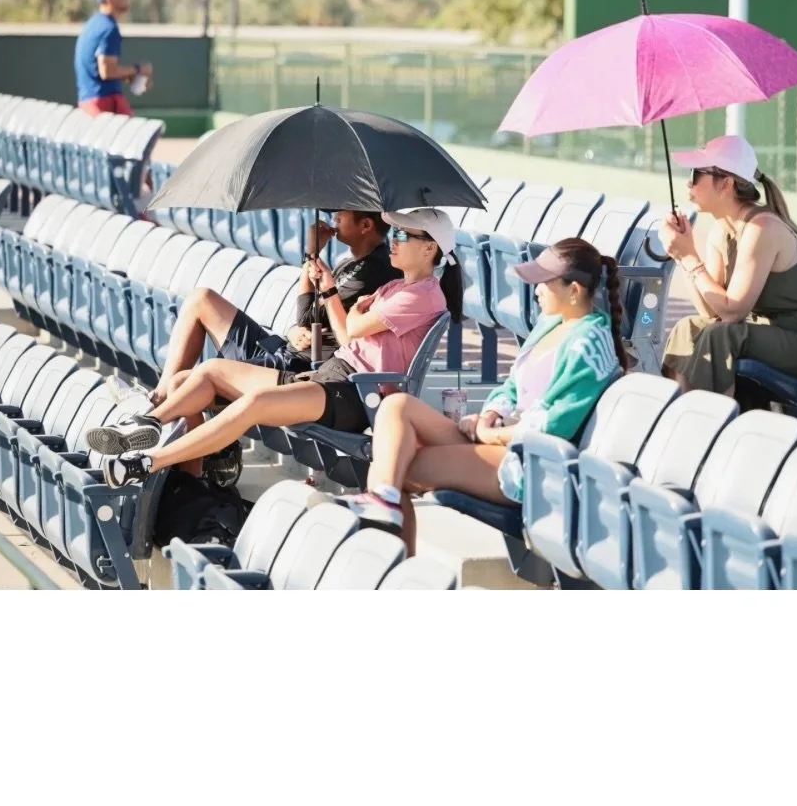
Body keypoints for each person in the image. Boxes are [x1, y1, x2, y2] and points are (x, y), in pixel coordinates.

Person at [86, 208, 463, 488]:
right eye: (393, 233)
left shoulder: (424, 295)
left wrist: (330, 289)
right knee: (207, 372)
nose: (393, 240)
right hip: (327, 377)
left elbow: (349, 333)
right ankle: (149, 423)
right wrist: (337, 296)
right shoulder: (395, 288)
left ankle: (145, 462)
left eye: (402, 236)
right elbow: (349, 324)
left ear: (429, 247)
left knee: (253, 403)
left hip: (352, 394)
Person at [346, 238, 626, 552]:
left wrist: (491, 434)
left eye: (543, 283)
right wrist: (491, 414)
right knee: (397, 407)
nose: (535, 290)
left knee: (399, 468)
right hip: (501, 439)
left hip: (531, 465)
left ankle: (398, 557)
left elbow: (552, 427)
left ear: (574, 290)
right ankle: (385, 510)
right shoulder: (553, 322)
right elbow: (511, 386)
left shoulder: (586, 345)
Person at [141, 210, 395, 416]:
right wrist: (311, 256)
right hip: (285, 349)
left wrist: (313, 257)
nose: (334, 217)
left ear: (365, 225)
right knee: (201, 299)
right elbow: (305, 322)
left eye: (342, 213)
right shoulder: (351, 261)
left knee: (185, 383)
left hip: (300, 364)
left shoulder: (374, 270)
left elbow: (307, 318)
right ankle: (159, 397)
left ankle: (193, 468)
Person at [658, 134, 797, 400]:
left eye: (697, 173)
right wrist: (682, 253)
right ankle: (682, 414)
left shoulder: (762, 228)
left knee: (721, 336)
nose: (689, 182)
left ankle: (709, 425)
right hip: (780, 337)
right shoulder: (720, 231)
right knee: (688, 327)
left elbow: (733, 312)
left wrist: (690, 258)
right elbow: (712, 310)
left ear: (726, 184)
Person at [74, 0, 151, 116]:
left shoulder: (94, 24)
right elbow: (106, 72)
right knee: (140, 136)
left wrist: (130, 77)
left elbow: (99, 70)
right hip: (104, 105)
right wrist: (138, 69)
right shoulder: (109, 28)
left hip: (89, 104)